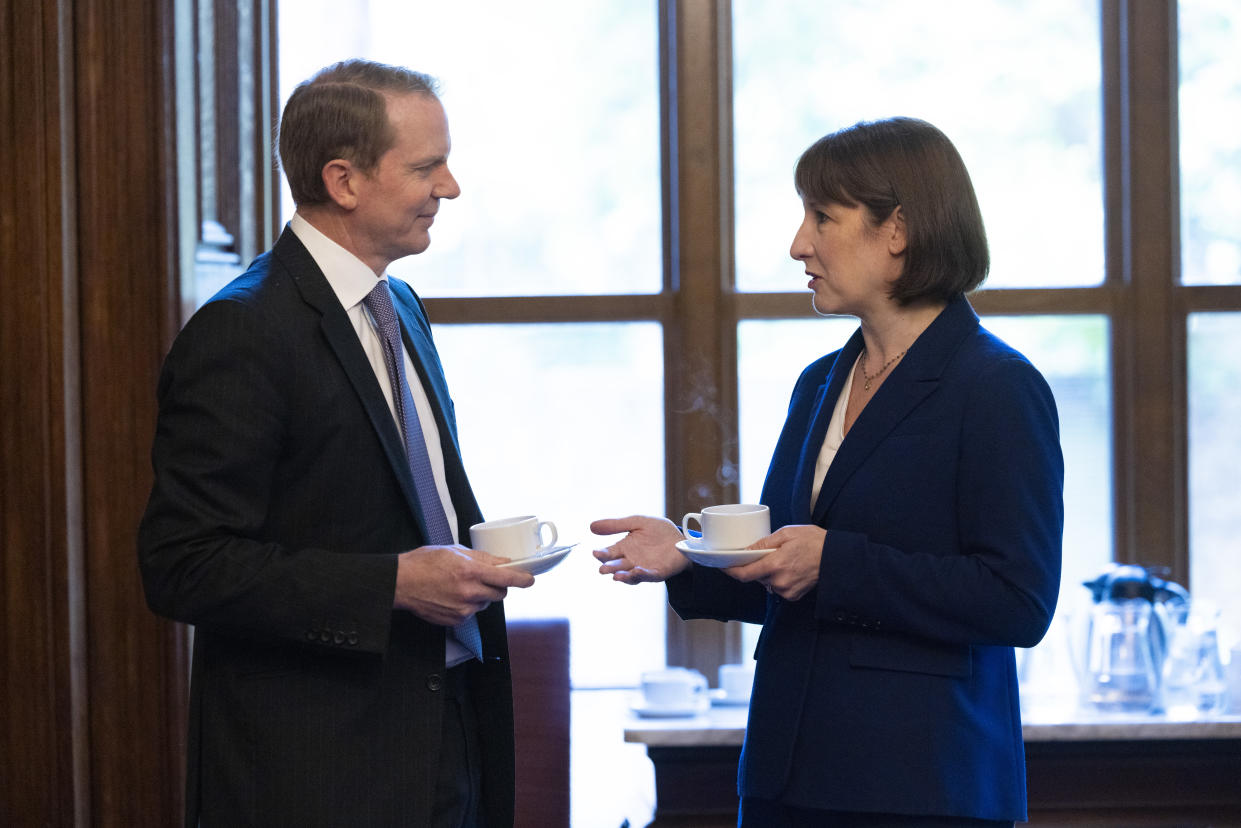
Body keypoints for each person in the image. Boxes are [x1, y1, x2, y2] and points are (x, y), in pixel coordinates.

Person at [593, 117, 1063, 827]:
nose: (797, 244)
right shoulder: (819, 382)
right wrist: (686, 561)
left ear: (897, 229)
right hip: (787, 779)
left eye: (821, 216)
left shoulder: (995, 387)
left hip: (921, 787)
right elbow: (785, 576)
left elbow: (1017, 601)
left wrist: (833, 562)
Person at [138, 59, 535, 828]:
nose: (449, 188)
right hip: (321, 772)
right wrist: (391, 584)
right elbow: (181, 566)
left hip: (445, 734)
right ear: (344, 181)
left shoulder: (402, 307)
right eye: (427, 167)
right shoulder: (244, 330)